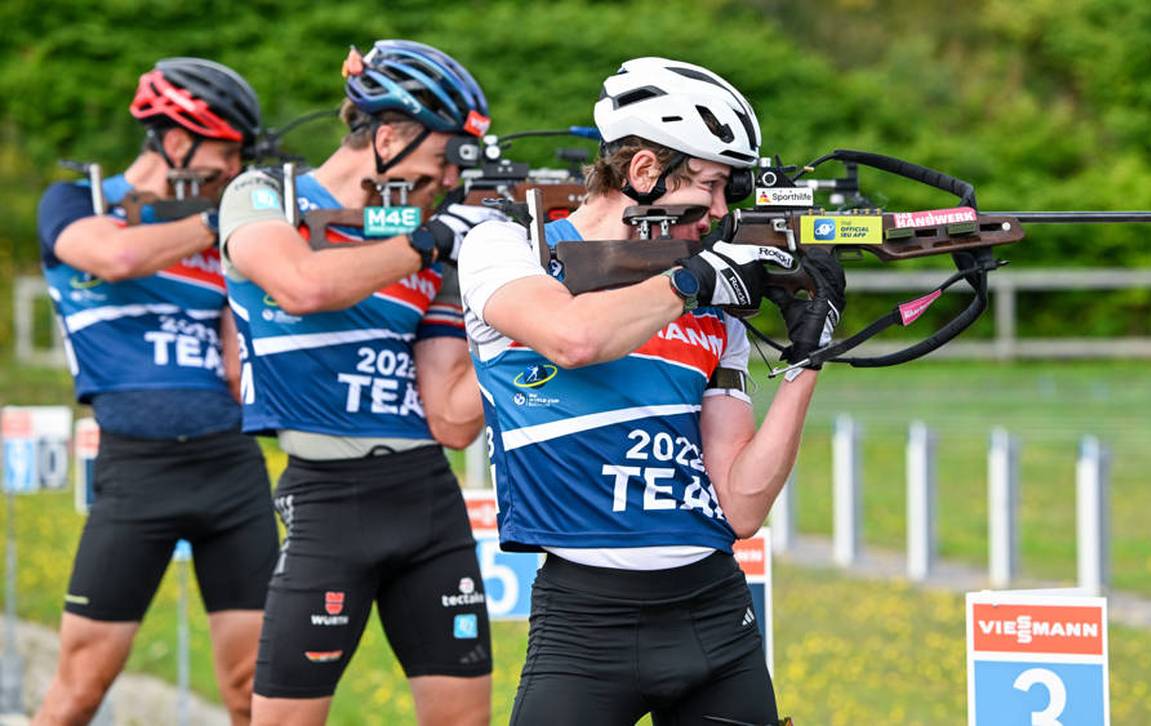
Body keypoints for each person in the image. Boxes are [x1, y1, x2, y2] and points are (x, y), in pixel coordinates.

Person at [457, 56, 846, 725]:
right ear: (643, 171)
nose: (721, 212)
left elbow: (742, 506)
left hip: (716, 614)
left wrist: (809, 358)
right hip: (583, 625)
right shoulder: (506, 245)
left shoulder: (711, 298)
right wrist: (692, 281)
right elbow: (573, 338)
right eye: (711, 186)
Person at [217, 40, 500, 726]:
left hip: (427, 496)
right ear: (390, 137)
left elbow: (452, 421)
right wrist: (430, 242)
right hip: (327, 499)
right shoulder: (264, 195)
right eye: (443, 158)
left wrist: (517, 315)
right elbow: (301, 285)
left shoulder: (436, 235)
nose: (448, 179)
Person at [33, 58, 277, 725]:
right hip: (136, 470)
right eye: (227, 153)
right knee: (79, 689)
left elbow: (238, 364)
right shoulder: (76, 201)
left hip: (231, 469)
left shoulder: (226, 230)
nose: (235, 169)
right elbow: (115, 257)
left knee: (253, 692)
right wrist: (225, 220)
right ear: (175, 141)